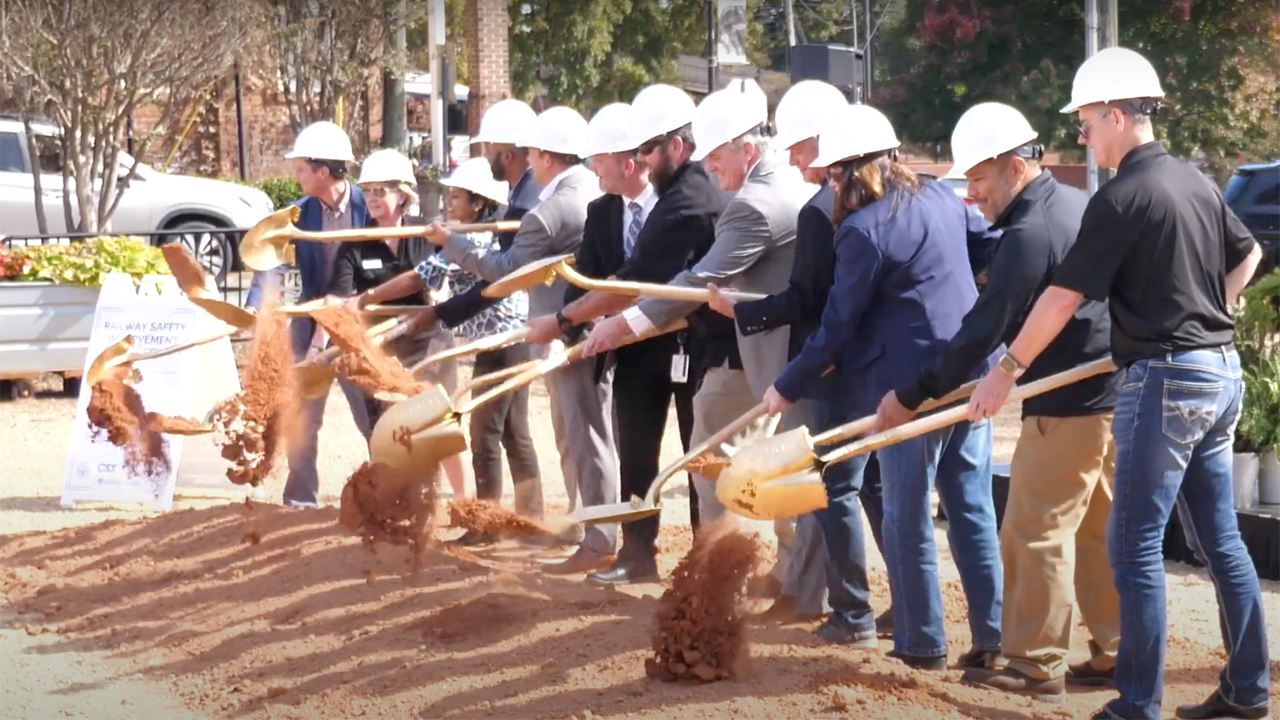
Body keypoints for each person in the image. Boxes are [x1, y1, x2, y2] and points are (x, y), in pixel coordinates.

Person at [967, 47, 1269, 720]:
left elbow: (1060, 299)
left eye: (1085, 122)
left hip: (1165, 379)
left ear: (1114, 115)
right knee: (1220, 540)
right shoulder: (1194, 181)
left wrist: (1005, 370)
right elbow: (1248, 252)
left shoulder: (1122, 197)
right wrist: (1208, 311)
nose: (1082, 135)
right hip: (1218, 371)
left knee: (1131, 545)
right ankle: (1248, 692)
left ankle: (1138, 703)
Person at [874, 102, 1121, 701]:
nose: (972, 194)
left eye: (979, 179)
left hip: (1065, 402)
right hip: (1111, 393)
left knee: (1033, 531)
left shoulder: (1029, 233)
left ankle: (1036, 665)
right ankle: (1118, 650)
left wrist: (911, 395)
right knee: (1096, 532)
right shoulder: (1074, 203)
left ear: (1014, 165)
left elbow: (983, 330)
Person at [767, 103, 1004, 666]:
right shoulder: (944, 197)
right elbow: (987, 250)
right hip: (969, 372)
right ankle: (994, 639)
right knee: (971, 510)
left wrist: (788, 384)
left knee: (906, 516)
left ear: (856, 171)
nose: (830, 185)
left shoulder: (862, 232)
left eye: (833, 174)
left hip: (910, 389)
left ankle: (923, 645)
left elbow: (835, 326)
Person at [583, 81, 810, 530]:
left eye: (716, 157)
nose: (708, 168)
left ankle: (721, 575)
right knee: (786, 469)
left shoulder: (752, 203)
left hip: (760, 352)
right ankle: (783, 580)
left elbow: (697, 280)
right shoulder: (783, 179)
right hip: (782, 351)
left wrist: (622, 325)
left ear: (746, 149)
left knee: (716, 465)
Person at [706, 79, 890, 632]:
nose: (793, 157)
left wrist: (740, 311)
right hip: (875, 366)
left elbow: (809, 299)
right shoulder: (885, 201)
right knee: (875, 490)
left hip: (828, 369)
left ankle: (824, 600)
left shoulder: (818, 210)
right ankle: (885, 598)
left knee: (826, 485)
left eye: (800, 147)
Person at [545, 84, 728, 585]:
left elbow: (634, 282)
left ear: (673, 147)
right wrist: (578, 319)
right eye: (640, 149)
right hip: (637, 352)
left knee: (699, 457)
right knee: (637, 452)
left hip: (693, 347)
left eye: (648, 149)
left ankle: (702, 558)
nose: (644, 160)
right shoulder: (610, 210)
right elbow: (595, 277)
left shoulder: (687, 201)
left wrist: (567, 322)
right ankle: (638, 553)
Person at [425, 105, 618, 558]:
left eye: (532, 154)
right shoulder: (590, 188)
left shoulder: (547, 212)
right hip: (586, 324)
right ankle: (584, 527)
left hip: (568, 329)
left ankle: (598, 536)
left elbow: (504, 273)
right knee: (577, 433)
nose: (528, 162)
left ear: (548, 157)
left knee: (583, 436)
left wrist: (451, 244)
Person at [350, 157, 539, 523]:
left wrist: (365, 299)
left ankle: (485, 523)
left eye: (455, 197)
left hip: (499, 345)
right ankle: (531, 515)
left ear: (478, 204)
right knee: (516, 435)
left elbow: (417, 279)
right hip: (512, 341)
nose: (449, 204)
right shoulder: (478, 236)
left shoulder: (468, 239)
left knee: (485, 437)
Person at [244, 121, 375, 508]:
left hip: (355, 327)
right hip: (309, 324)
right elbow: (270, 262)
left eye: (300, 168)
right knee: (303, 416)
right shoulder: (298, 216)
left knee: (372, 412)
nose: (295, 175)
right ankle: (300, 500)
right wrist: (258, 305)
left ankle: (389, 492)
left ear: (322, 172)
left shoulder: (369, 208)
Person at [323, 148, 441, 431]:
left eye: (380, 190)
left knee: (428, 424)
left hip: (423, 343)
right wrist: (333, 308)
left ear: (401, 195)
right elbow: (337, 296)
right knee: (382, 429)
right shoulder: (355, 243)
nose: (372, 197)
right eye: (367, 190)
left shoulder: (425, 235)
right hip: (377, 348)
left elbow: (427, 279)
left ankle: (427, 475)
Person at [423, 99, 545, 335]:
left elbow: (505, 277)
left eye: (488, 148)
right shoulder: (522, 193)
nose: (484, 155)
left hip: (534, 326)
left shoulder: (523, 205)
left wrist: (440, 313)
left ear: (508, 156)